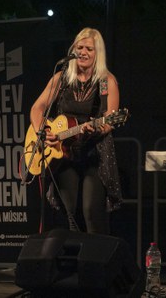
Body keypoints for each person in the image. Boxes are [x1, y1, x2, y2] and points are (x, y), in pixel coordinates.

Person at [30, 27, 122, 234]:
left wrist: (96, 129)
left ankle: (97, 262)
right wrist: (42, 131)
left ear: (98, 53)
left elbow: (110, 118)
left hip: (94, 152)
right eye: (79, 47)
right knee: (67, 211)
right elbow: (37, 108)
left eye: (89, 48)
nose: (83, 52)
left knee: (91, 210)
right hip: (64, 152)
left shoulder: (107, 80)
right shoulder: (61, 79)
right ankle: (69, 260)